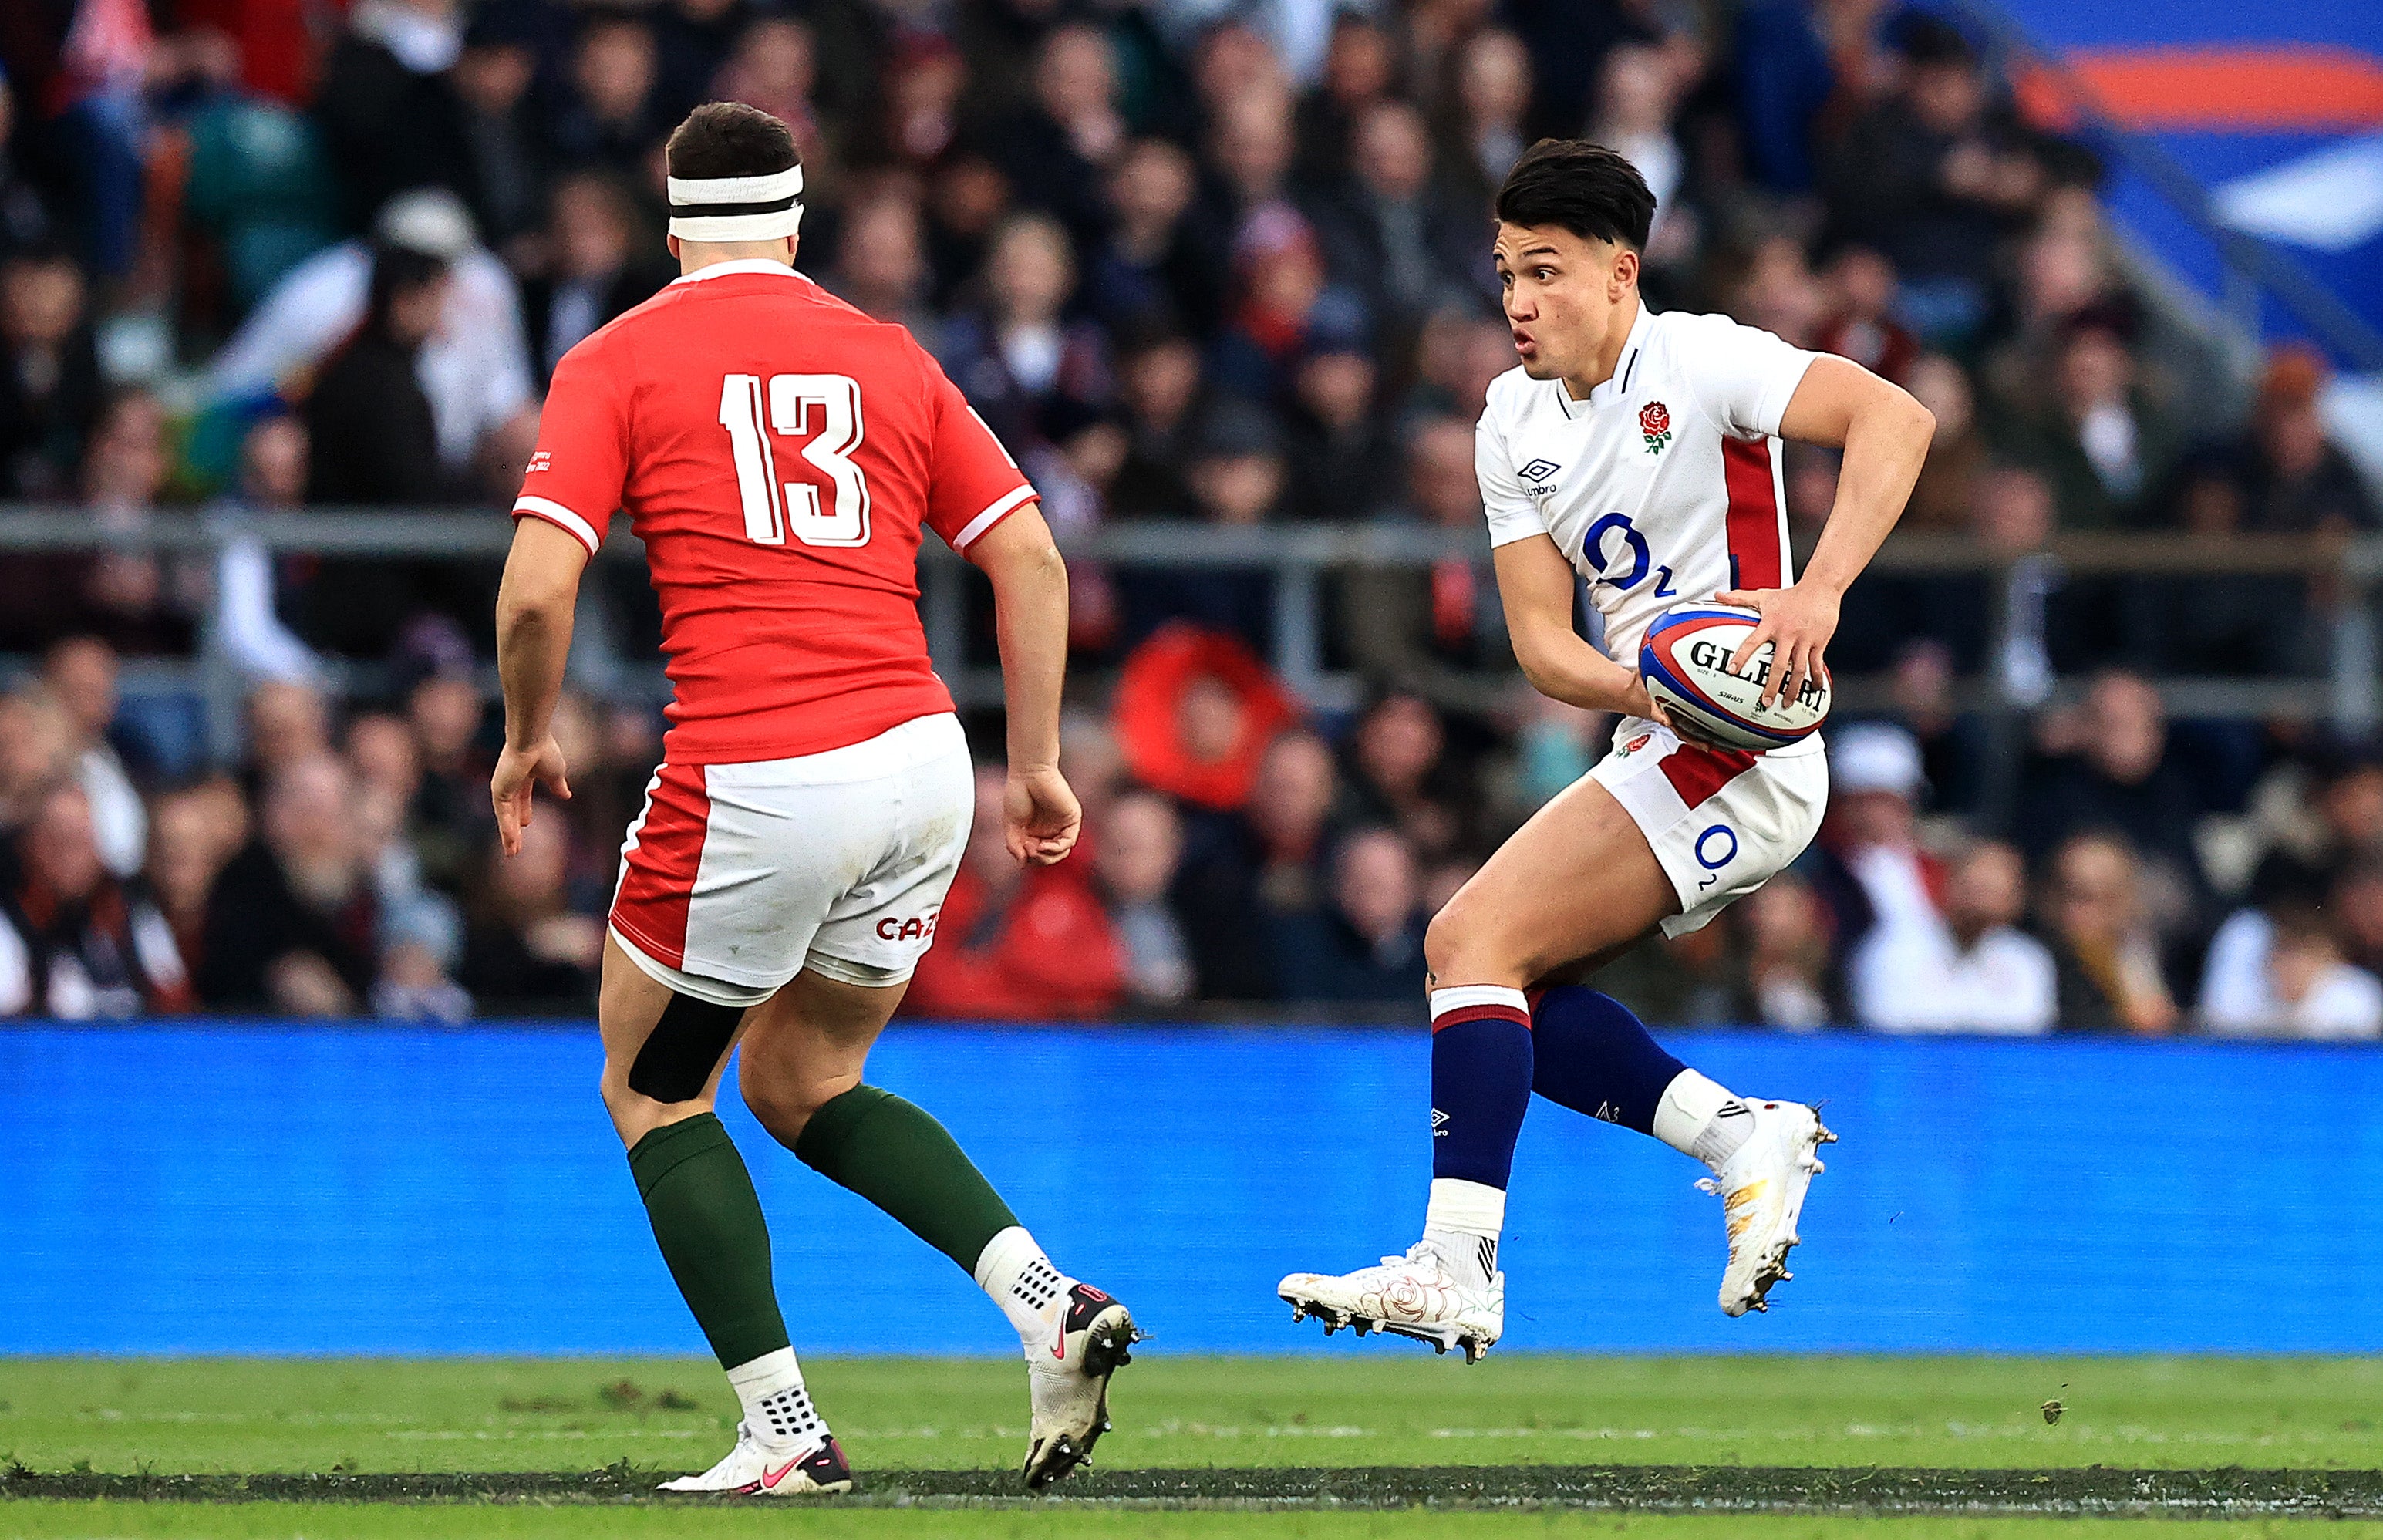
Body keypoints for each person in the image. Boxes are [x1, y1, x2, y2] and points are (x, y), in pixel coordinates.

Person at [488, 103, 1136, 1498]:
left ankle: (784, 1434)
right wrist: (1034, 760)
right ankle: (1043, 1300)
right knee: (804, 1076)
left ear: (670, 236)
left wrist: (526, 735)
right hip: (919, 764)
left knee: (653, 1089)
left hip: (755, 770)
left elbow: (541, 584)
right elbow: (1030, 558)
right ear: (794, 226)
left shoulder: (614, 359)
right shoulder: (889, 356)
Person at [1279, 140, 1934, 1359]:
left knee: (1463, 939)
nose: (1517, 302)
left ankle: (1457, 1265)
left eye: (1544, 272)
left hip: (1749, 741)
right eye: (1503, 275)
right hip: (1666, 732)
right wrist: (1644, 684)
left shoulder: (1699, 357)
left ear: (1620, 271)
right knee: (1499, 988)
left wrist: (1818, 592)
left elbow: (1893, 417)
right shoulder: (1505, 421)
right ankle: (1737, 1133)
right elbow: (1538, 643)